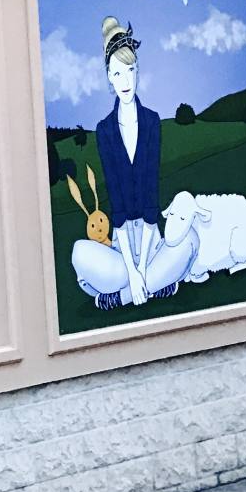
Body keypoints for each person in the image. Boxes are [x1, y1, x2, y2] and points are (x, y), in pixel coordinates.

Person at [70, 18, 195, 309]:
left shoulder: (152, 122)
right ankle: (155, 283)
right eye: (117, 73)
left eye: (130, 71)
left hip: (153, 243)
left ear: (137, 71)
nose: (125, 81)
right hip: (122, 248)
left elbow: (151, 198)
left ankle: (121, 297)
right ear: (109, 78)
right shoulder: (104, 131)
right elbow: (117, 206)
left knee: (191, 241)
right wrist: (133, 269)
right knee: (79, 252)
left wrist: (141, 270)